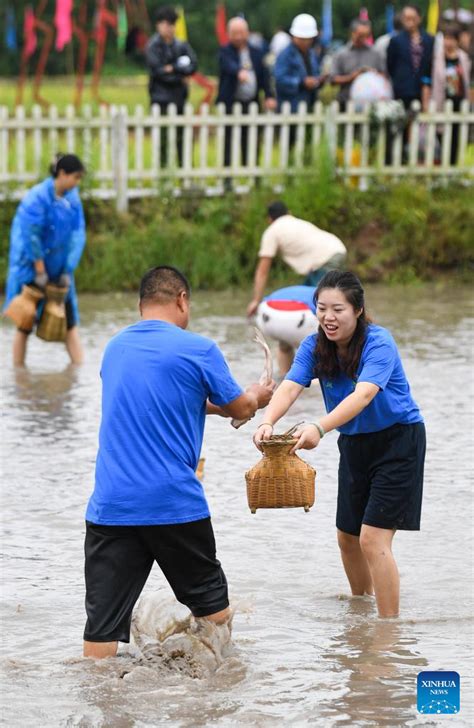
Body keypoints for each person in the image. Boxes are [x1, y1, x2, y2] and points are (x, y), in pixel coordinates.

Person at [83, 266, 274, 659]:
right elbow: (239, 406)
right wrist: (257, 395)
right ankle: (212, 694)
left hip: (112, 507)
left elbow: (158, 402)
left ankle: (103, 709)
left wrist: (213, 409)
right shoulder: (198, 348)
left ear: (141, 305)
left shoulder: (114, 348)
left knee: (101, 633)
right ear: (182, 300)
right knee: (214, 615)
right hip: (174, 504)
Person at [253, 271, 426, 619]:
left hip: (398, 442)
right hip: (355, 443)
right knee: (347, 537)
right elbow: (290, 386)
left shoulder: (379, 342)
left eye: (338, 309)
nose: (329, 318)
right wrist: (267, 421)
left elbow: (363, 396)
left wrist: (319, 426)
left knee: (372, 539)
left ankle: (388, 629)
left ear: (358, 310)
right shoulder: (314, 346)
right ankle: (362, 613)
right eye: (321, 309)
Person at [4, 153, 86, 367]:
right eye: (76, 177)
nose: (78, 182)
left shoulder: (72, 198)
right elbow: (31, 235)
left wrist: (67, 270)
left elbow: (78, 234)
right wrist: (39, 271)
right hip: (32, 269)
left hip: (60, 270)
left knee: (69, 322)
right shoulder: (37, 198)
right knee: (24, 322)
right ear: (62, 174)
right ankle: (19, 373)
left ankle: (79, 370)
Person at [246, 201, 346, 316]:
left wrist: (256, 301)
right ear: (289, 213)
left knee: (322, 305)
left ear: (269, 219)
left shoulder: (272, 231)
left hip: (325, 260)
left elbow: (262, 271)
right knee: (304, 301)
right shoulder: (297, 222)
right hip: (337, 249)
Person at [216, 17, 276, 174]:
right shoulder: (225, 51)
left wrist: (269, 95)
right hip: (230, 103)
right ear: (229, 34)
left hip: (251, 103)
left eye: (241, 33)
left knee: (252, 140)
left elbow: (264, 76)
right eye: (235, 33)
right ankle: (227, 177)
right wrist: (238, 72)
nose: (238, 37)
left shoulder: (256, 52)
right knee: (228, 141)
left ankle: (253, 174)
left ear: (247, 33)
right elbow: (227, 64)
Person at [145, 6, 197, 165]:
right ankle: (163, 175)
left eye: (172, 24)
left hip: (179, 98)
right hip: (160, 98)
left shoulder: (181, 45)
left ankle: (184, 175)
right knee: (163, 140)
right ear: (158, 25)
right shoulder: (152, 46)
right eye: (166, 24)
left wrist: (173, 68)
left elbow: (193, 64)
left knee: (183, 140)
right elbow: (158, 72)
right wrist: (180, 73)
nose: (170, 28)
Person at [424, 26, 471, 164]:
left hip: (460, 105)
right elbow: (426, 82)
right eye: (446, 38)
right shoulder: (435, 58)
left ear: (457, 41)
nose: (448, 42)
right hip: (441, 103)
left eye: (452, 39)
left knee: (458, 140)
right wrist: (426, 103)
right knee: (443, 139)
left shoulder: (465, 59)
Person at [386, 5, 434, 111]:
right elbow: (390, 65)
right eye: (406, 18)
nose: (409, 21)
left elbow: (430, 65)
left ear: (419, 18)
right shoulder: (395, 41)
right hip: (402, 90)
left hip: (423, 90)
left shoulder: (429, 40)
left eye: (412, 18)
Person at [330, 19, 385, 110]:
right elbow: (333, 80)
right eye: (360, 35)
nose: (363, 39)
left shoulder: (376, 53)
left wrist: (373, 75)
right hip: (346, 103)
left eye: (366, 35)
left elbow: (384, 76)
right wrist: (353, 76)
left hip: (372, 105)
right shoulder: (341, 54)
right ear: (352, 33)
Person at [274, 14, 323, 112]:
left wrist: (319, 80)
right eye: (302, 39)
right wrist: (302, 82)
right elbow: (280, 80)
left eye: (308, 39)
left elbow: (315, 73)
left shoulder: (311, 54)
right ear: (294, 36)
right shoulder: (285, 55)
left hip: (309, 105)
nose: (306, 42)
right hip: (290, 108)